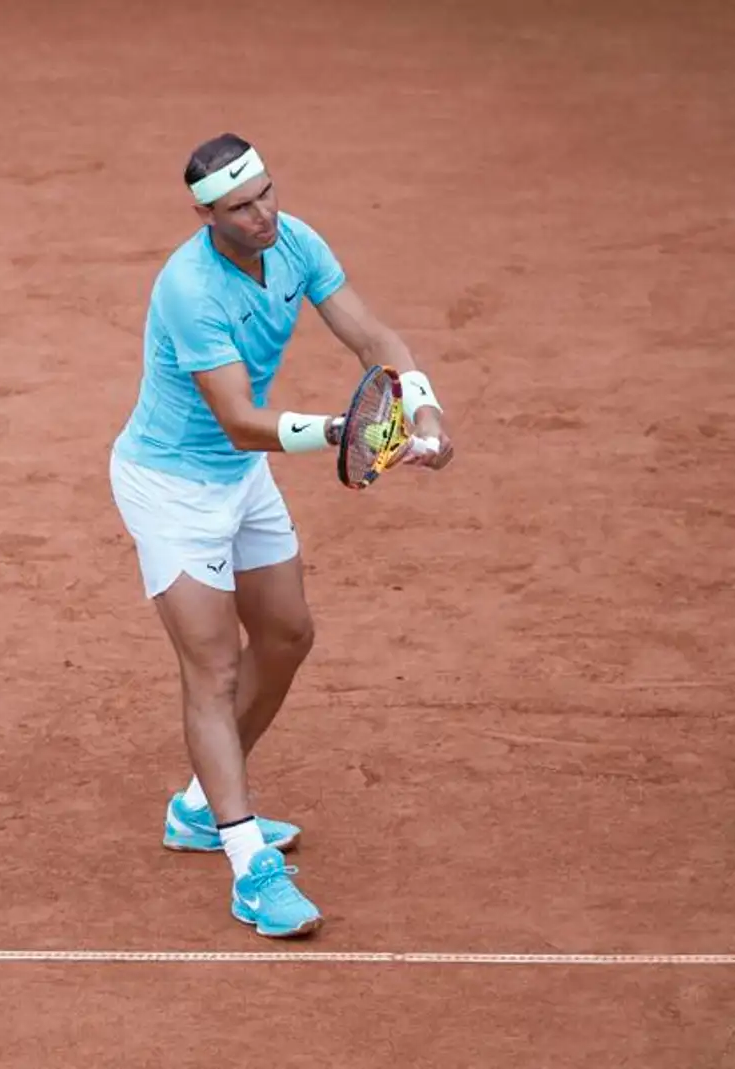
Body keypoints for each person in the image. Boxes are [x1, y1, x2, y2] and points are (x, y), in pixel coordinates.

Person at [108, 132, 454, 938]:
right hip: (172, 487)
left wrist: (423, 404)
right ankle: (248, 867)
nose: (263, 214)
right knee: (215, 667)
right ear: (205, 214)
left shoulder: (295, 240)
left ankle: (198, 807)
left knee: (288, 634)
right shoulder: (189, 288)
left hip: (240, 481)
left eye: (267, 193)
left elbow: (374, 339)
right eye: (241, 206)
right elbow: (237, 420)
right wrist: (344, 429)